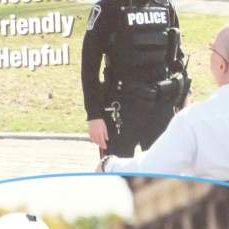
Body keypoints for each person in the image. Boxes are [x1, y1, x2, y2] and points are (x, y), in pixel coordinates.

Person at [100, 22, 229, 182]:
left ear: (221, 65)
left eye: (212, 49)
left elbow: (149, 171)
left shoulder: (195, 122)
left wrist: (108, 165)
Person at [81, 0, 190, 157]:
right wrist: (94, 116)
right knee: (117, 177)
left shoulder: (165, 5)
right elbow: (89, 67)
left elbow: (177, 59)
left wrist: (184, 98)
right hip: (121, 109)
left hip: (160, 108)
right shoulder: (107, 8)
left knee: (161, 176)